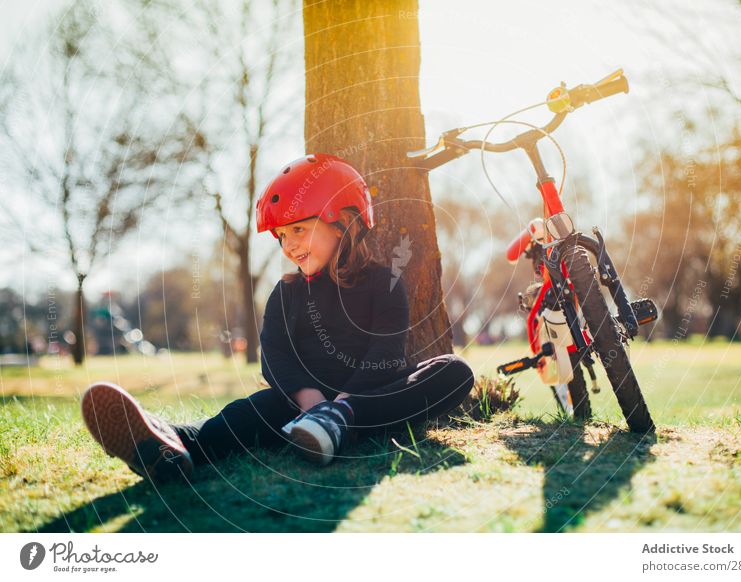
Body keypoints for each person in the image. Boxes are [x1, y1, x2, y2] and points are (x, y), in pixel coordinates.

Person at [81, 154, 475, 483]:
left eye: (299, 229)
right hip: (299, 408)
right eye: (282, 237)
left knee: (454, 372)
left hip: (371, 402)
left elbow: (386, 347)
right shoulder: (287, 292)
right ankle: (171, 446)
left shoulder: (382, 283)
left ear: (343, 220)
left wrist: (339, 407)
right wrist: (309, 402)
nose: (289, 245)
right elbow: (275, 354)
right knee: (244, 415)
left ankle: (340, 422)